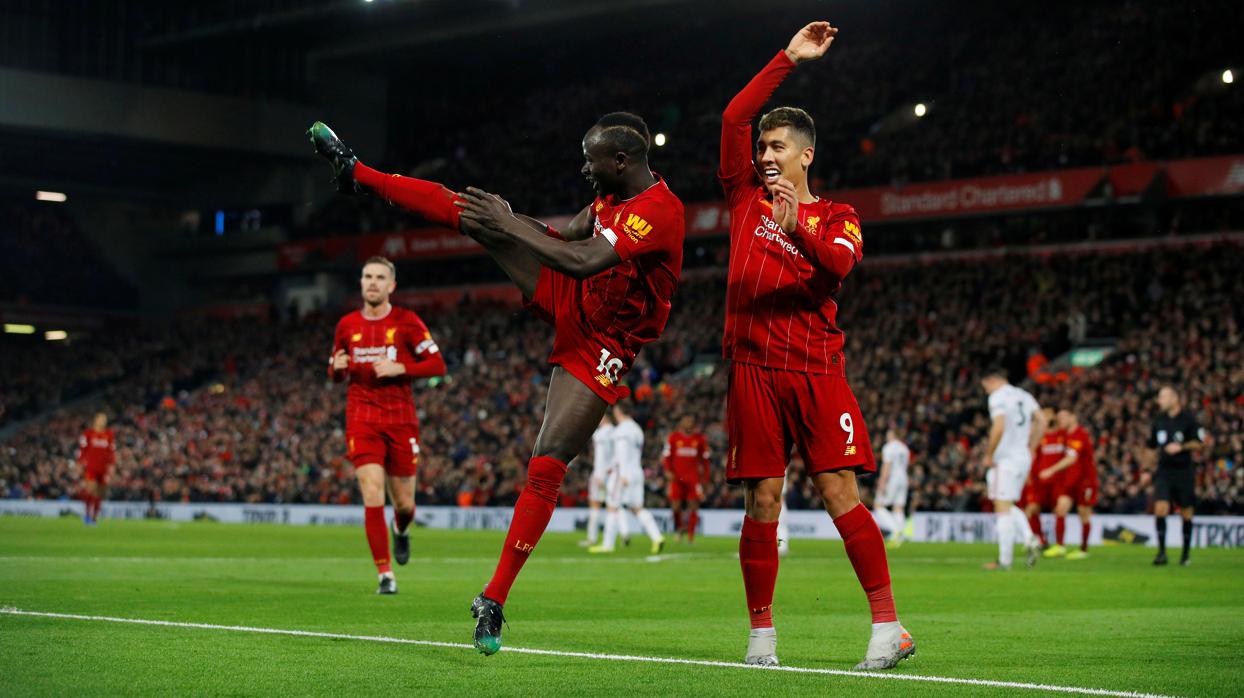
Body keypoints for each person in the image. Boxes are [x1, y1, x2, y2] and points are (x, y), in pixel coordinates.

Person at [305, 112, 685, 652]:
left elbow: (581, 259)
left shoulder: (661, 212)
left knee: (548, 461)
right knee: (476, 213)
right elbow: (561, 236)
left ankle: (494, 598)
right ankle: (358, 171)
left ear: (621, 162)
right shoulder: (610, 198)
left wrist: (510, 226)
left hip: (605, 341)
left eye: (590, 159)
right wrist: (504, 220)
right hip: (574, 299)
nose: (583, 167)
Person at [718, 22, 913, 670]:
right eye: (762, 147)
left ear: (804, 155)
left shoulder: (837, 215)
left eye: (776, 147)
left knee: (839, 496)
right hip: (751, 368)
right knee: (762, 502)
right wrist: (787, 59)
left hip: (815, 369)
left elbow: (836, 266)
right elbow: (732, 115)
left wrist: (793, 222)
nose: (764, 155)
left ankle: (888, 629)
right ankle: (761, 640)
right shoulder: (742, 196)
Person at [328, 256, 447, 594]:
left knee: (405, 504)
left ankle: (402, 529)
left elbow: (438, 364)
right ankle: (385, 574)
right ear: (361, 282)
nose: (373, 282)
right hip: (361, 417)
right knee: (371, 493)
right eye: (367, 276)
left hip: (400, 420)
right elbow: (335, 370)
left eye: (380, 277)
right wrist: (336, 369)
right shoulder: (346, 325)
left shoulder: (407, 322)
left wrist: (402, 367)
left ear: (391, 285)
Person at [980, 368, 1047, 571]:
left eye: (984, 386)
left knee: (1002, 509)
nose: (985, 390)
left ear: (991, 380)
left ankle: (1005, 561)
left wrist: (990, 454)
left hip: (1005, 459)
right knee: (1007, 505)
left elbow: (998, 426)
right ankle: (1029, 538)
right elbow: (1042, 420)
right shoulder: (1023, 395)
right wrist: (1031, 447)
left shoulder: (997, 397)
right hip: (1022, 458)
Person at [590, 403, 666, 555]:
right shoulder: (637, 430)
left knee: (612, 506)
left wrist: (622, 474)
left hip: (623, 475)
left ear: (618, 412)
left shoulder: (622, 431)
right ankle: (657, 537)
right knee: (636, 508)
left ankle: (607, 544)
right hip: (637, 472)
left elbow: (622, 454)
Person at [1146, 386, 1205, 566]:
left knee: (1186, 512)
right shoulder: (1159, 420)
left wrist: (1182, 447)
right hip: (1164, 471)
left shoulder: (1189, 419)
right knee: (1160, 508)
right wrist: (1147, 469)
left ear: (1175, 398)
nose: (1159, 401)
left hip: (1184, 471)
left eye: (1163, 397)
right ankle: (1162, 553)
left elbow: (1199, 443)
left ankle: (1185, 554)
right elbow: (1150, 446)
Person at [661, 415, 711, 542]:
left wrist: (705, 479)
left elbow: (705, 461)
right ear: (681, 423)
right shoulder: (673, 438)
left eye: (691, 421)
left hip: (693, 479)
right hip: (677, 479)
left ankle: (690, 535)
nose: (689, 423)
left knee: (693, 507)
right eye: (686, 421)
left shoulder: (700, 439)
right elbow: (666, 457)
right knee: (675, 507)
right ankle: (679, 529)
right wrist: (667, 471)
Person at [1022, 407, 1064, 550]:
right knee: (1032, 509)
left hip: (1058, 481)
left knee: (1059, 510)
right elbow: (1031, 458)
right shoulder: (1039, 438)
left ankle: (1059, 545)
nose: (1046, 417)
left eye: (1049, 414)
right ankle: (1040, 540)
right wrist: (1028, 475)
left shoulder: (1062, 436)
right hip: (1039, 482)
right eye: (1044, 415)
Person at [1058, 409, 1097, 560]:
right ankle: (1060, 546)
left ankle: (1083, 549)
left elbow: (1071, 459)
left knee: (1083, 513)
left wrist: (1050, 470)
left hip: (1085, 481)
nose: (1060, 420)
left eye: (1063, 417)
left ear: (1073, 417)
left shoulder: (1080, 434)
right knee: (1061, 509)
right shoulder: (1066, 436)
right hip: (1070, 481)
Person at [581, 415, 616, 547]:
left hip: (599, 473)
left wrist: (599, 474)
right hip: (612, 473)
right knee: (613, 506)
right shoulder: (616, 432)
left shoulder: (599, 434)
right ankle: (622, 535)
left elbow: (600, 456)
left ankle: (592, 538)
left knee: (595, 505)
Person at [77, 412, 115, 525]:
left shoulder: (109, 434)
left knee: (100, 493)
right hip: (91, 467)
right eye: (101, 419)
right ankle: (87, 515)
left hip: (103, 468)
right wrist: (79, 463)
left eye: (105, 419)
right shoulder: (88, 434)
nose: (104, 421)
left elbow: (111, 452)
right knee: (91, 490)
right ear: (96, 420)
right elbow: (82, 450)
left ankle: (94, 517)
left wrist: (112, 465)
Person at [875, 430, 911, 548]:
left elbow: (887, 465)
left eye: (888, 434)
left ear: (892, 435)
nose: (886, 436)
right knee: (898, 507)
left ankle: (895, 530)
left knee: (878, 505)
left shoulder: (888, 447)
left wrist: (882, 481)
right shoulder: (904, 448)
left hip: (892, 479)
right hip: (903, 478)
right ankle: (901, 535)